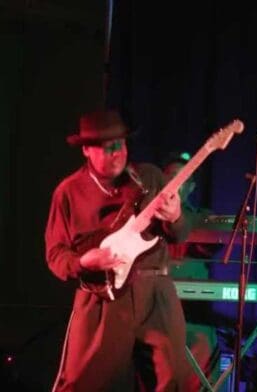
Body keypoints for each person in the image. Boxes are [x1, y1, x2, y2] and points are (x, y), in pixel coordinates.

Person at [45, 110, 191, 391]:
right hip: (103, 299)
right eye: (107, 146)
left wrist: (175, 217)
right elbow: (55, 255)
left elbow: (181, 235)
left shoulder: (148, 177)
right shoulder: (69, 192)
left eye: (121, 144)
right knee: (87, 383)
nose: (117, 153)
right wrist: (83, 262)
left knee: (172, 380)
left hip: (155, 292)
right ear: (86, 150)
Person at [162, 151, 219, 390]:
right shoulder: (147, 217)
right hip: (158, 305)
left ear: (192, 187)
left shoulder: (202, 218)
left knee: (202, 344)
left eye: (183, 178)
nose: (176, 184)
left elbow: (210, 246)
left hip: (193, 313)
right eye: (172, 177)